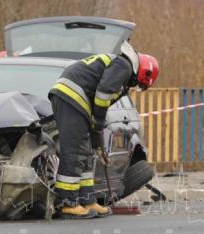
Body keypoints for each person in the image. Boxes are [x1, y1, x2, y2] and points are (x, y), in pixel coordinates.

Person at [48, 41, 159, 219]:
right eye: (139, 84)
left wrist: (96, 144)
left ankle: (87, 200)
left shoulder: (121, 73)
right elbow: (102, 95)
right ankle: (67, 204)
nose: (135, 87)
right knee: (74, 152)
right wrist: (99, 122)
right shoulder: (123, 66)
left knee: (86, 153)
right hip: (71, 98)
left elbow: (98, 105)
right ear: (142, 74)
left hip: (79, 103)